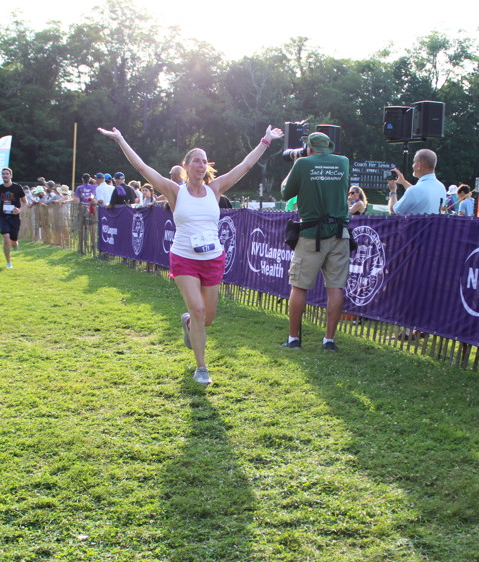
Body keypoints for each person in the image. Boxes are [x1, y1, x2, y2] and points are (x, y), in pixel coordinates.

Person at [98, 123, 283, 385]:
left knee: (207, 318)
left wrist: (265, 140)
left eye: (204, 161)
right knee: (198, 310)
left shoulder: (215, 189)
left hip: (213, 258)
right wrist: (120, 139)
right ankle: (202, 368)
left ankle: (188, 325)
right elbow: (142, 168)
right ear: (186, 166)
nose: (201, 164)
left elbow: (245, 166)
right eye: (196, 160)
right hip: (184, 257)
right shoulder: (175, 191)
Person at [280, 131, 351, 352]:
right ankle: (329, 341)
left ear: (309, 148)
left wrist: (295, 164)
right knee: (335, 287)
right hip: (339, 234)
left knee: (299, 286)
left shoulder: (302, 164)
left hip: (311, 234)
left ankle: (293, 339)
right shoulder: (343, 162)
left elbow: (285, 193)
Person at [0, 167, 29, 269]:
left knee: (13, 241)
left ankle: (15, 245)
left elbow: (25, 202)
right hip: (3, 217)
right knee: (6, 238)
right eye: (3, 174)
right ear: (2, 176)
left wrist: (19, 209)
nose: (5, 175)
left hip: (14, 218)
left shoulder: (17, 188)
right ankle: (8, 262)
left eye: (7, 174)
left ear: (11, 175)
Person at [387, 149, 445, 215]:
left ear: (419, 165)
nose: (412, 165)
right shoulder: (441, 187)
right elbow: (419, 194)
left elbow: (394, 211)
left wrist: (393, 191)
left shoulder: (414, 191)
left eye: (414, 162)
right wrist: (403, 182)